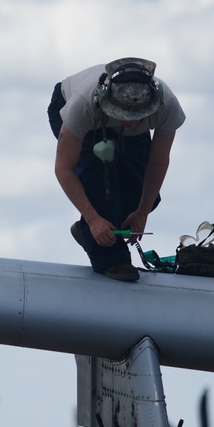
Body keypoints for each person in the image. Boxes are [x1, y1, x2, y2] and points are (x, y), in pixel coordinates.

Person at [50, 57, 185, 281]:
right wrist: (93, 219)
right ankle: (112, 259)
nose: (130, 123)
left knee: (142, 193)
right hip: (80, 113)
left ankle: (93, 232)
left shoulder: (167, 105)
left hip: (118, 126)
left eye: (137, 117)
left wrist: (142, 211)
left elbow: (158, 163)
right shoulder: (82, 106)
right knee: (102, 183)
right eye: (125, 115)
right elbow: (64, 169)